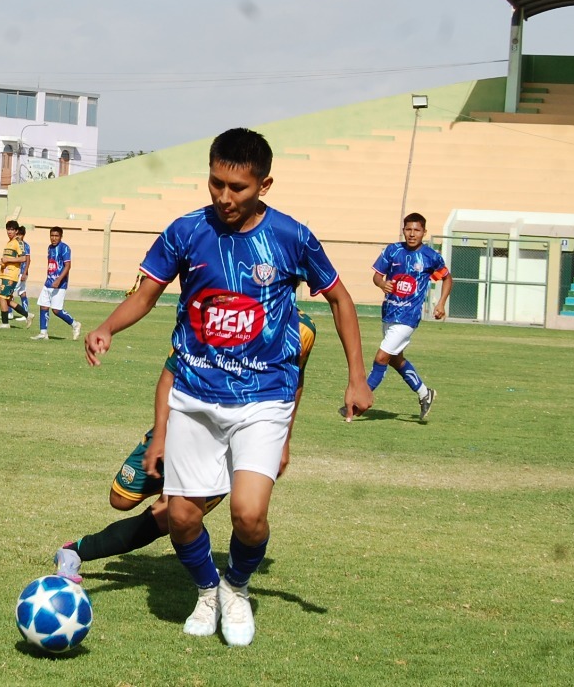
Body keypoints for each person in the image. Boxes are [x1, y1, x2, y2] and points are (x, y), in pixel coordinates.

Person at [83, 128, 372, 647]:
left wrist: (356, 377)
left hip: (265, 396)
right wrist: (107, 326)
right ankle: (206, 593)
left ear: (264, 184)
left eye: (237, 187)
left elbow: (341, 301)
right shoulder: (185, 231)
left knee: (249, 514)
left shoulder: (292, 237)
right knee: (183, 517)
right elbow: (147, 293)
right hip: (195, 395)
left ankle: (235, 588)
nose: (223, 196)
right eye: (216, 182)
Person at [54, 314, 316, 580]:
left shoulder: (302, 329)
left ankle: (75, 551)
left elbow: (295, 379)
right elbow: (171, 373)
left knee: (168, 517)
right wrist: (162, 435)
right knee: (120, 499)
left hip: (231, 444)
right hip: (182, 426)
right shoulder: (212, 306)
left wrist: (284, 439)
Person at [368, 213, 452, 422]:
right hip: (389, 313)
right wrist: (381, 284)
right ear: (403, 230)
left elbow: (448, 278)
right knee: (396, 360)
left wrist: (441, 303)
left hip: (408, 317)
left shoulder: (430, 256)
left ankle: (359, 400)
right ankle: (425, 393)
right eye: (408, 229)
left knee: (381, 358)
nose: (412, 234)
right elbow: (377, 275)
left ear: (424, 232)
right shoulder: (393, 250)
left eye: (416, 230)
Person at [31, 226, 83, 341]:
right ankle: (43, 333)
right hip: (48, 282)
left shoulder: (64, 248)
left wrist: (59, 279)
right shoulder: (49, 248)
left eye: (56, 236)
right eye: (52, 236)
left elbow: (68, 266)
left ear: (61, 236)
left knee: (56, 310)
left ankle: (75, 324)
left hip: (60, 284)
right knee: (43, 306)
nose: (53, 238)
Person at [0, 219, 27, 328]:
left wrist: (8, 261)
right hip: (5, 273)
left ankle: (5, 323)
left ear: (16, 231)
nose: (9, 232)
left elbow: (23, 258)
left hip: (11, 275)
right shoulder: (9, 243)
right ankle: (27, 315)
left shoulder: (18, 242)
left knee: (1, 297)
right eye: (8, 229)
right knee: (7, 300)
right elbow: (7, 259)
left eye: (12, 229)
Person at [12, 226, 33, 325]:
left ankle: (9, 312)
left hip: (20, 273)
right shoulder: (15, 244)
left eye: (20, 234)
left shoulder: (25, 246)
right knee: (22, 293)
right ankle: (26, 314)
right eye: (17, 234)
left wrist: (25, 272)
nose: (18, 236)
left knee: (10, 292)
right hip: (18, 272)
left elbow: (28, 260)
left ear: (23, 235)